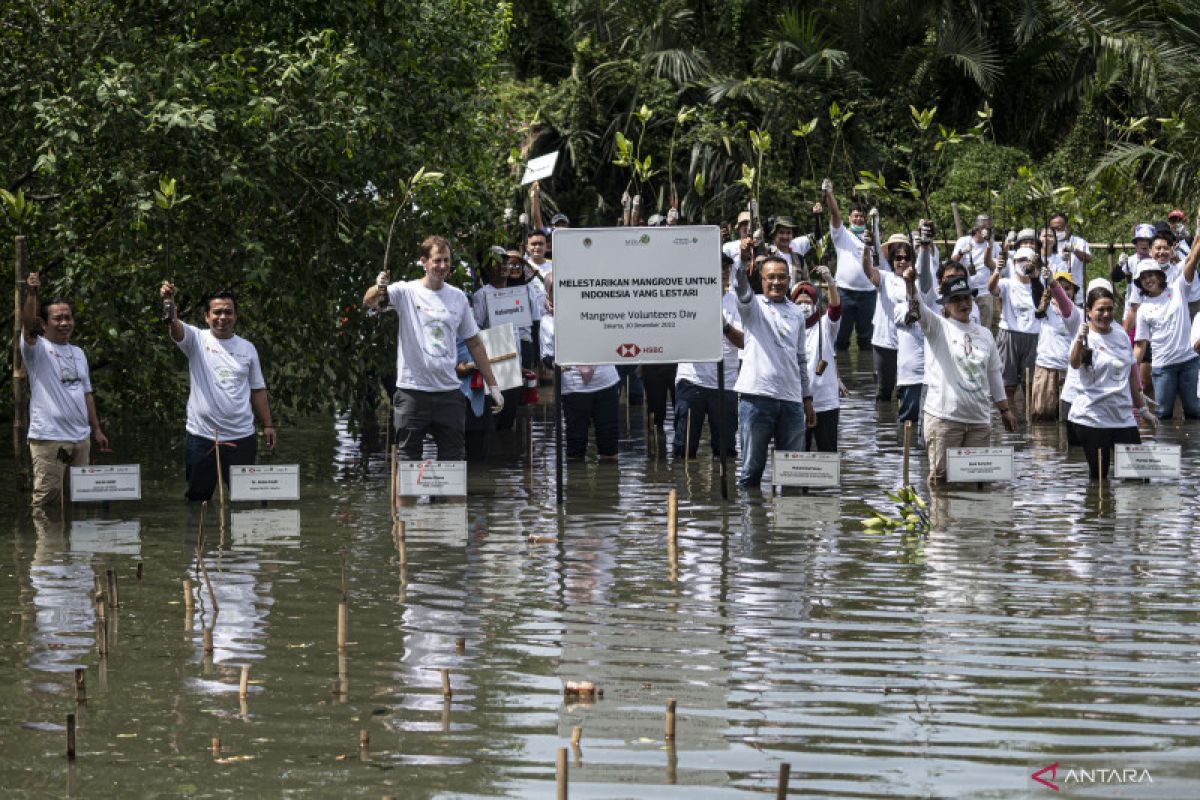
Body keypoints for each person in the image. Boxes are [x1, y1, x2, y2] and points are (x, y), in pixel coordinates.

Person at [363, 235, 504, 466]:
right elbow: (369, 301)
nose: (442, 266)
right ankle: (405, 503)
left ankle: (448, 502)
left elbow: (475, 343)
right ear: (424, 262)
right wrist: (379, 287)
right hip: (412, 392)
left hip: (448, 392)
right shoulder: (405, 291)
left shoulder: (458, 296)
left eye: (446, 260)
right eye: (437, 260)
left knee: (455, 463)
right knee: (407, 462)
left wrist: (494, 385)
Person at [160, 283, 275, 502]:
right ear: (206, 316)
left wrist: (268, 425)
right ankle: (201, 536)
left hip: (241, 437)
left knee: (247, 501)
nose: (223, 317)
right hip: (202, 437)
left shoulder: (248, 348)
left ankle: (241, 537)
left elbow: (258, 389)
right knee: (197, 500)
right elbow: (174, 326)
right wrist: (168, 301)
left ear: (236, 316)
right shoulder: (196, 339)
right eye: (217, 312)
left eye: (228, 312)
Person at [902, 271, 1017, 486]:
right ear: (945, 304)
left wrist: (1004, 409)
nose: (963, 303)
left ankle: (972, 521)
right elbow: (916, 306)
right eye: (956, 299)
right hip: (944, 419)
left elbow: (993, 375)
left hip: (979, 420)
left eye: (966, 298)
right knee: (941, 481)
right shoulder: (936, 326)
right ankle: (941, 520)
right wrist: (909, 283)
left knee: (978, 482)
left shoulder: (985, 334)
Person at [19, 272, 110, 507]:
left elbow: (86, 394)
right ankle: (48, 545)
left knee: (80, 500)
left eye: (68, 318)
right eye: (57, 318)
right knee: (46, 500)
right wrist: (32, 293)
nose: (64, 323)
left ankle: (74, 543)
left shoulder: (79, 353)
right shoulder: (36, 349)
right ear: (44, 323)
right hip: (49, 438)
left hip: (81, 438)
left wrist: (96, 430)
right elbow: (27, 326)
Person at [733, 254, 815, 487]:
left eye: (781, 277)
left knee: (792, 475)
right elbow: (741, 288)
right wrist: (741, 260)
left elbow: (801, 359)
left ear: (790, 280)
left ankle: (789, 523)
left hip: (791, 401)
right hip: (756, 398)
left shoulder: (797, 313)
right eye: (770, 278)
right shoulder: (753, 306)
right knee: (751, 472)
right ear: (761, 279)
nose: (776, 282)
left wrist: (807, 399)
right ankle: (752, 522)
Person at [1069, 284, 1155, 480]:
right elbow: (1074, 364)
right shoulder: (1084, 338)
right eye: (1100, 309)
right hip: (1092, 418)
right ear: (1089, 312)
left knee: (1139, 475)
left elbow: (1131, 376)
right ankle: (1100, 510)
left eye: (1109, 309)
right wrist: (1078, 341)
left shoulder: (1121, 335)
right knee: (1100, 477)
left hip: (1123, 417)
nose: (1106, 314)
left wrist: (1142, 410)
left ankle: (1131, 511)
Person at [540, 275, 620, 459]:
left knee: (609, 447)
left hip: (605, 383)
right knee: (575, 448)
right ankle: (575, 486)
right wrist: (557, 364)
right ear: (548, 293)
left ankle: (609, 485)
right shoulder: (548, 322)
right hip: (574, 388)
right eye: (554, 290)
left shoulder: (596, 310)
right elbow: (546, 356)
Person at [674, 255, 743, 459]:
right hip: (691, 380)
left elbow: (743, 342)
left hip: (726, 383)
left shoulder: (737, 302)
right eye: (718, 267)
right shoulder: (688, 298)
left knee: (726, 452)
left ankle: (725, 490)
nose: (723, 272)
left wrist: (724, 325)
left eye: (727, 268)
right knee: (684, 449)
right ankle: (684, 489)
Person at [1132, 231, 1200, 419]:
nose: (1148, 280)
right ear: (1140, 283)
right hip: (1163, 367)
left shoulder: (1179, 288)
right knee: (1162, 414)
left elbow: (1192, 260)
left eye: (1151, 275)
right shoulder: (1143, 309)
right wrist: (1128, 369)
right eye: (1143, 278)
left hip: (1189, 361)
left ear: (1160, 276)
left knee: (1194, 410)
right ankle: (1164, 448)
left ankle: (1193, 448)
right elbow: (1140, 345)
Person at [821, 178, 876, 351]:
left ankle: (867, 375)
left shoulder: (871, 236)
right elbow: (835, 214)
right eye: (855, 216)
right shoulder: (841, 234)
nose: (859, 219)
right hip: (844, 291)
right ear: (849, 218)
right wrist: (829, 194)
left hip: (868, 293)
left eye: (861, 216)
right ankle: (840, 376)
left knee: (867, 340)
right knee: (840, 338)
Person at [792, 265, 842, 451]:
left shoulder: (825, 326)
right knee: (796, 455)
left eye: (807, 301)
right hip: (795, 402)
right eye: (798, 302)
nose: (803, 306)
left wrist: (830, 282)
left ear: (815, 305)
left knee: (828, 453)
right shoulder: (787, 326)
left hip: (826, 402)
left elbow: (835, 309)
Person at [989, 245, 1043, 415]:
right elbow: (991, 289)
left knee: (1030, 384)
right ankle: (1007, 417)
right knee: (1007, 383)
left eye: (1028, 260)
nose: (1024, 264)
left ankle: (1028, 418)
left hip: (1033, 336)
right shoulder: (1006, 283)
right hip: (1009, 335)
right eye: (1020, 260)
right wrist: (997, 269)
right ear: (1013, 263)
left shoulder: (1039, 284)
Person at [1030, 272, 1082, 421]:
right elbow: (1037, 291)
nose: (1064, 292)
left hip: (1069, 372)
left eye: (1068, 288)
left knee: (1068, 419)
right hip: (1047, 368)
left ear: (1074, 292)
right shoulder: (1044, 309)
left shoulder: (1078, 313)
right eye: (1061, 289)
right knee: (1042, 417)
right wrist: (1035, 278)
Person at [950, 214, 998, 326]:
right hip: (966, 291)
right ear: (977, 229)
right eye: (985, 228)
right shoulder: (964, 241)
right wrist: (961, 252)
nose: (987, 231)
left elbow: (994, 266)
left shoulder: (993, 245)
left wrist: (990, 246)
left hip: (985, 292)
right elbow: (952, 262)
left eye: (989, 229)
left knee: (985, 326)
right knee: (966, 323)